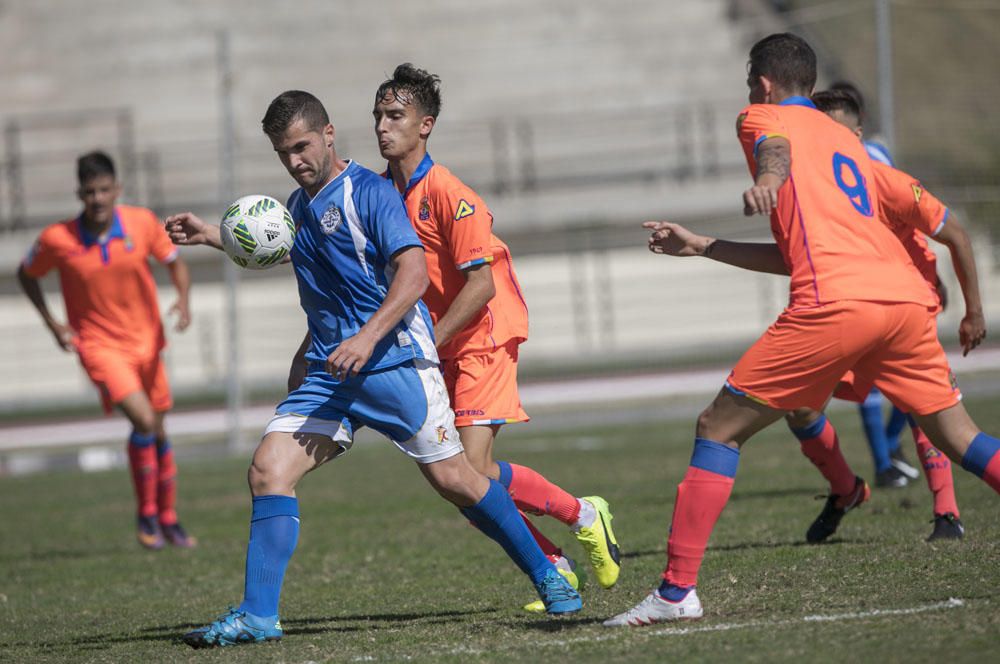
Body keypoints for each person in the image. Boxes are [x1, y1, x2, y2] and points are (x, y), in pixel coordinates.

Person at [604, 33, 999, 628]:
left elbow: (775, 149)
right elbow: (798, 251)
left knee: (719, 426)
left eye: (748, 85)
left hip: (837, 304)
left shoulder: (761, 117)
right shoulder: (845, 141)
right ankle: (847, 489)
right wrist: (704, 246)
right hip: (902, 304)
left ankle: (676, 591)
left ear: (762, 84)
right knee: (960, 437)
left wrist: (767, 178)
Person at [168, 90, 580, 648]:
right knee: (268, 471)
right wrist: (213, 237)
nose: (295, 161)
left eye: (303, 147)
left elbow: (412, 274)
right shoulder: (298, 206)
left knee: (456, 480)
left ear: (329, 134)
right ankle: (258, 615)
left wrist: (366, 337)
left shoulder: (371, 193)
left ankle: (548, 573)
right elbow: (289, 250)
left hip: (394, 364)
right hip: (330, 373)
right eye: (283, 152)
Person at [372, 63, 621, 612]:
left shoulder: (449, 193)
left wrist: (430, 341)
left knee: (472, 471)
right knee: (455, 481)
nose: (383, 127)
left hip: (482, 333)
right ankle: (557, 555)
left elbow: (481, 286)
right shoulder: (383, 192)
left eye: (396, 116)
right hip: (440, 342)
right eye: (379, 116)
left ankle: (582, 518)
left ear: (426, 125)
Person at [785, 88, 979, 543]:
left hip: (899, 302)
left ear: (854, 133)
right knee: (799, 405)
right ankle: (846, 488)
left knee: (923, 407)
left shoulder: (874, 172)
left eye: (834, 130)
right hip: (845, 301)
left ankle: (947, 513)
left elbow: (941, 228)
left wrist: (961, 299)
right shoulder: (815, 175)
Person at [18, 151, 196, 550]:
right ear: (79, 193)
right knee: (145, 421)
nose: (97, 198)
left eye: (103, 190)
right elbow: (25, 274)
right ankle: (147, 515)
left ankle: (169, 518)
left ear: (116, 189)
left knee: (159, 428)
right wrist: (53, 323)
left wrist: (183, 301)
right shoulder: (56, 239)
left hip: (148, 343)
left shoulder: (142, 222)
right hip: (99, 346)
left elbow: (175, 262)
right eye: (89, 192)